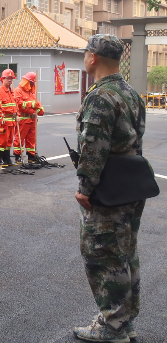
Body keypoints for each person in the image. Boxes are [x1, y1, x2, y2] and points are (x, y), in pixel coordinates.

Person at [73, 35, 146, 343]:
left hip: (108, 188)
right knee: (125, 250)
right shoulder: (130, 92)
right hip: (131, 184)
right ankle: (124, 320)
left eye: (86, 53)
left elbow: (94, 145)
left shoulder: (101, 96)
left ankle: (112, 326)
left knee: (102, 252)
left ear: (93, 58)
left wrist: (85, 187)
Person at [13, 72, 45, 164]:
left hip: (33, 119)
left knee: (31, 139)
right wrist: (32, 104)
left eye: (32, 83)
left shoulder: (32, 93)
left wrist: (40, 109)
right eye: (30, 83)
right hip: (23, 119)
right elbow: (18, 104)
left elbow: (38, 104)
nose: (31, 85)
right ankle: (17, 155)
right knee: (20, 138)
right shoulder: (18, 91)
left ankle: (31, 155)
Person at [0, 69, 17, 166]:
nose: (10, 80)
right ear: (2, 79)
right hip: (5, 119)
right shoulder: (0, 90)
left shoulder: (11, 91)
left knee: (9, 140)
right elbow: (0, 106)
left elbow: (14, 104)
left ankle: (7, 158)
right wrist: (2, 117)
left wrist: (16, 114)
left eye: (11, 78)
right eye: (8, 78)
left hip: (12, 120)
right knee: (2, 141)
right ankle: (0, 159)